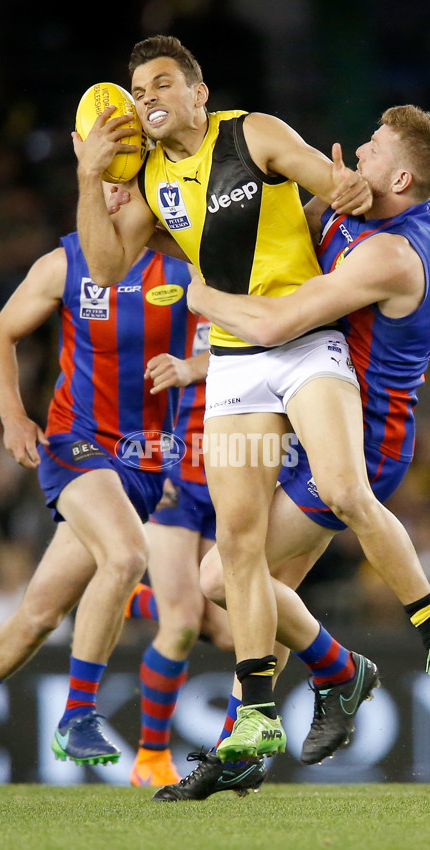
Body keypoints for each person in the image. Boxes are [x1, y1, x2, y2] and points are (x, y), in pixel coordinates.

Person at [153, 104, 430, 801]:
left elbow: (272, 317)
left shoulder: (391, 253)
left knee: (222, 578)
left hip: (367, 431)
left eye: (373, 147)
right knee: (258, 590)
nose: (357, 149)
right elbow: (272, 266)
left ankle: (392, 648)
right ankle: (253, 740)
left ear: (400, 175)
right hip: (311, 402)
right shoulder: (344, 210)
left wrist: (199, 297)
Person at [73, 34, 376, 762]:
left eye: (163, 83)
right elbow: (109, 265)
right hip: (236, 364)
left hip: (304, 345)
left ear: (199, 93)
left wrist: (351, 189)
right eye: (139, 91)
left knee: (336, 497)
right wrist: (89, 179)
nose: (149, 99)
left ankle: (392, 648)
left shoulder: (252, 132)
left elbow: (326, 182)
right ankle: (276, 703)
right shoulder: (148, 183)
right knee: (232, 553)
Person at [0, 236, 205, 789]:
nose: (115, 195)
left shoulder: (187, 269)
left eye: (126, 184)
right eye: (107, 186)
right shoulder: (65, 264)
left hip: (145, 464)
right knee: (125, 557)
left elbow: (243, 344)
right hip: (73, 443)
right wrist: (13, 418)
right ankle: (78, 715)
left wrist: (194, 366)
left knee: (39, 617)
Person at [128, 316, 235, 788]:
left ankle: (131, 597)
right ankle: (152, 756)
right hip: (173, 466)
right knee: (183, 624)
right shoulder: (174, 286)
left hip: (235, 471)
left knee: (232, 632)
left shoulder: (266, 288)